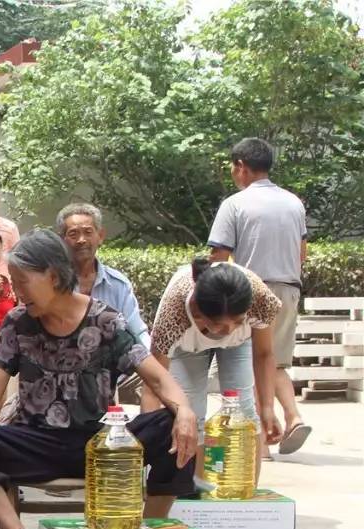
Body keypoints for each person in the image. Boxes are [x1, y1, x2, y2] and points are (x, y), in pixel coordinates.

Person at [0, 230, 199, 529]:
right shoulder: (17, 323)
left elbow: (159, 379)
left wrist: (185, 410)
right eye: (13, 282)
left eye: (23, 281)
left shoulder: (105, 321)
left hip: (100, 446)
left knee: (171, 424)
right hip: (33, 444)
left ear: (53, 276)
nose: (17, 291)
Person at [208, 137, 311, 455]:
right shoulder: (293, 202)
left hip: (249, 291)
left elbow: (218, 257)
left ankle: (259, 440)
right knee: (275, 360)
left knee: (250, 361)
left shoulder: (235, 204)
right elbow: (302, 253)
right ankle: (292, 416)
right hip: (289, 288)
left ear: (241, 166)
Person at [142, 259, 283, 472]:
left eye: (238, 321)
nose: (228, 329)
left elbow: (264, 355)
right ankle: (194, 488)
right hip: (187, 347)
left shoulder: (261, 299)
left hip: (239, 345)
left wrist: (267, 407)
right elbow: (154, 382)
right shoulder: (174, 312)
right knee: (188, 414)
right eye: (218, 323)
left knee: (243, 413)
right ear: (198, 311)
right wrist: (148, 437)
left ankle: (245, 495)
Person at [56, 203, 150, 347]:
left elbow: (137, 332)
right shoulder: (52, 283)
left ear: (100, 236)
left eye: (88, 232)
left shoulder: (118, 284)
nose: (81, 240)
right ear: (61, 240)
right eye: (73, 234)